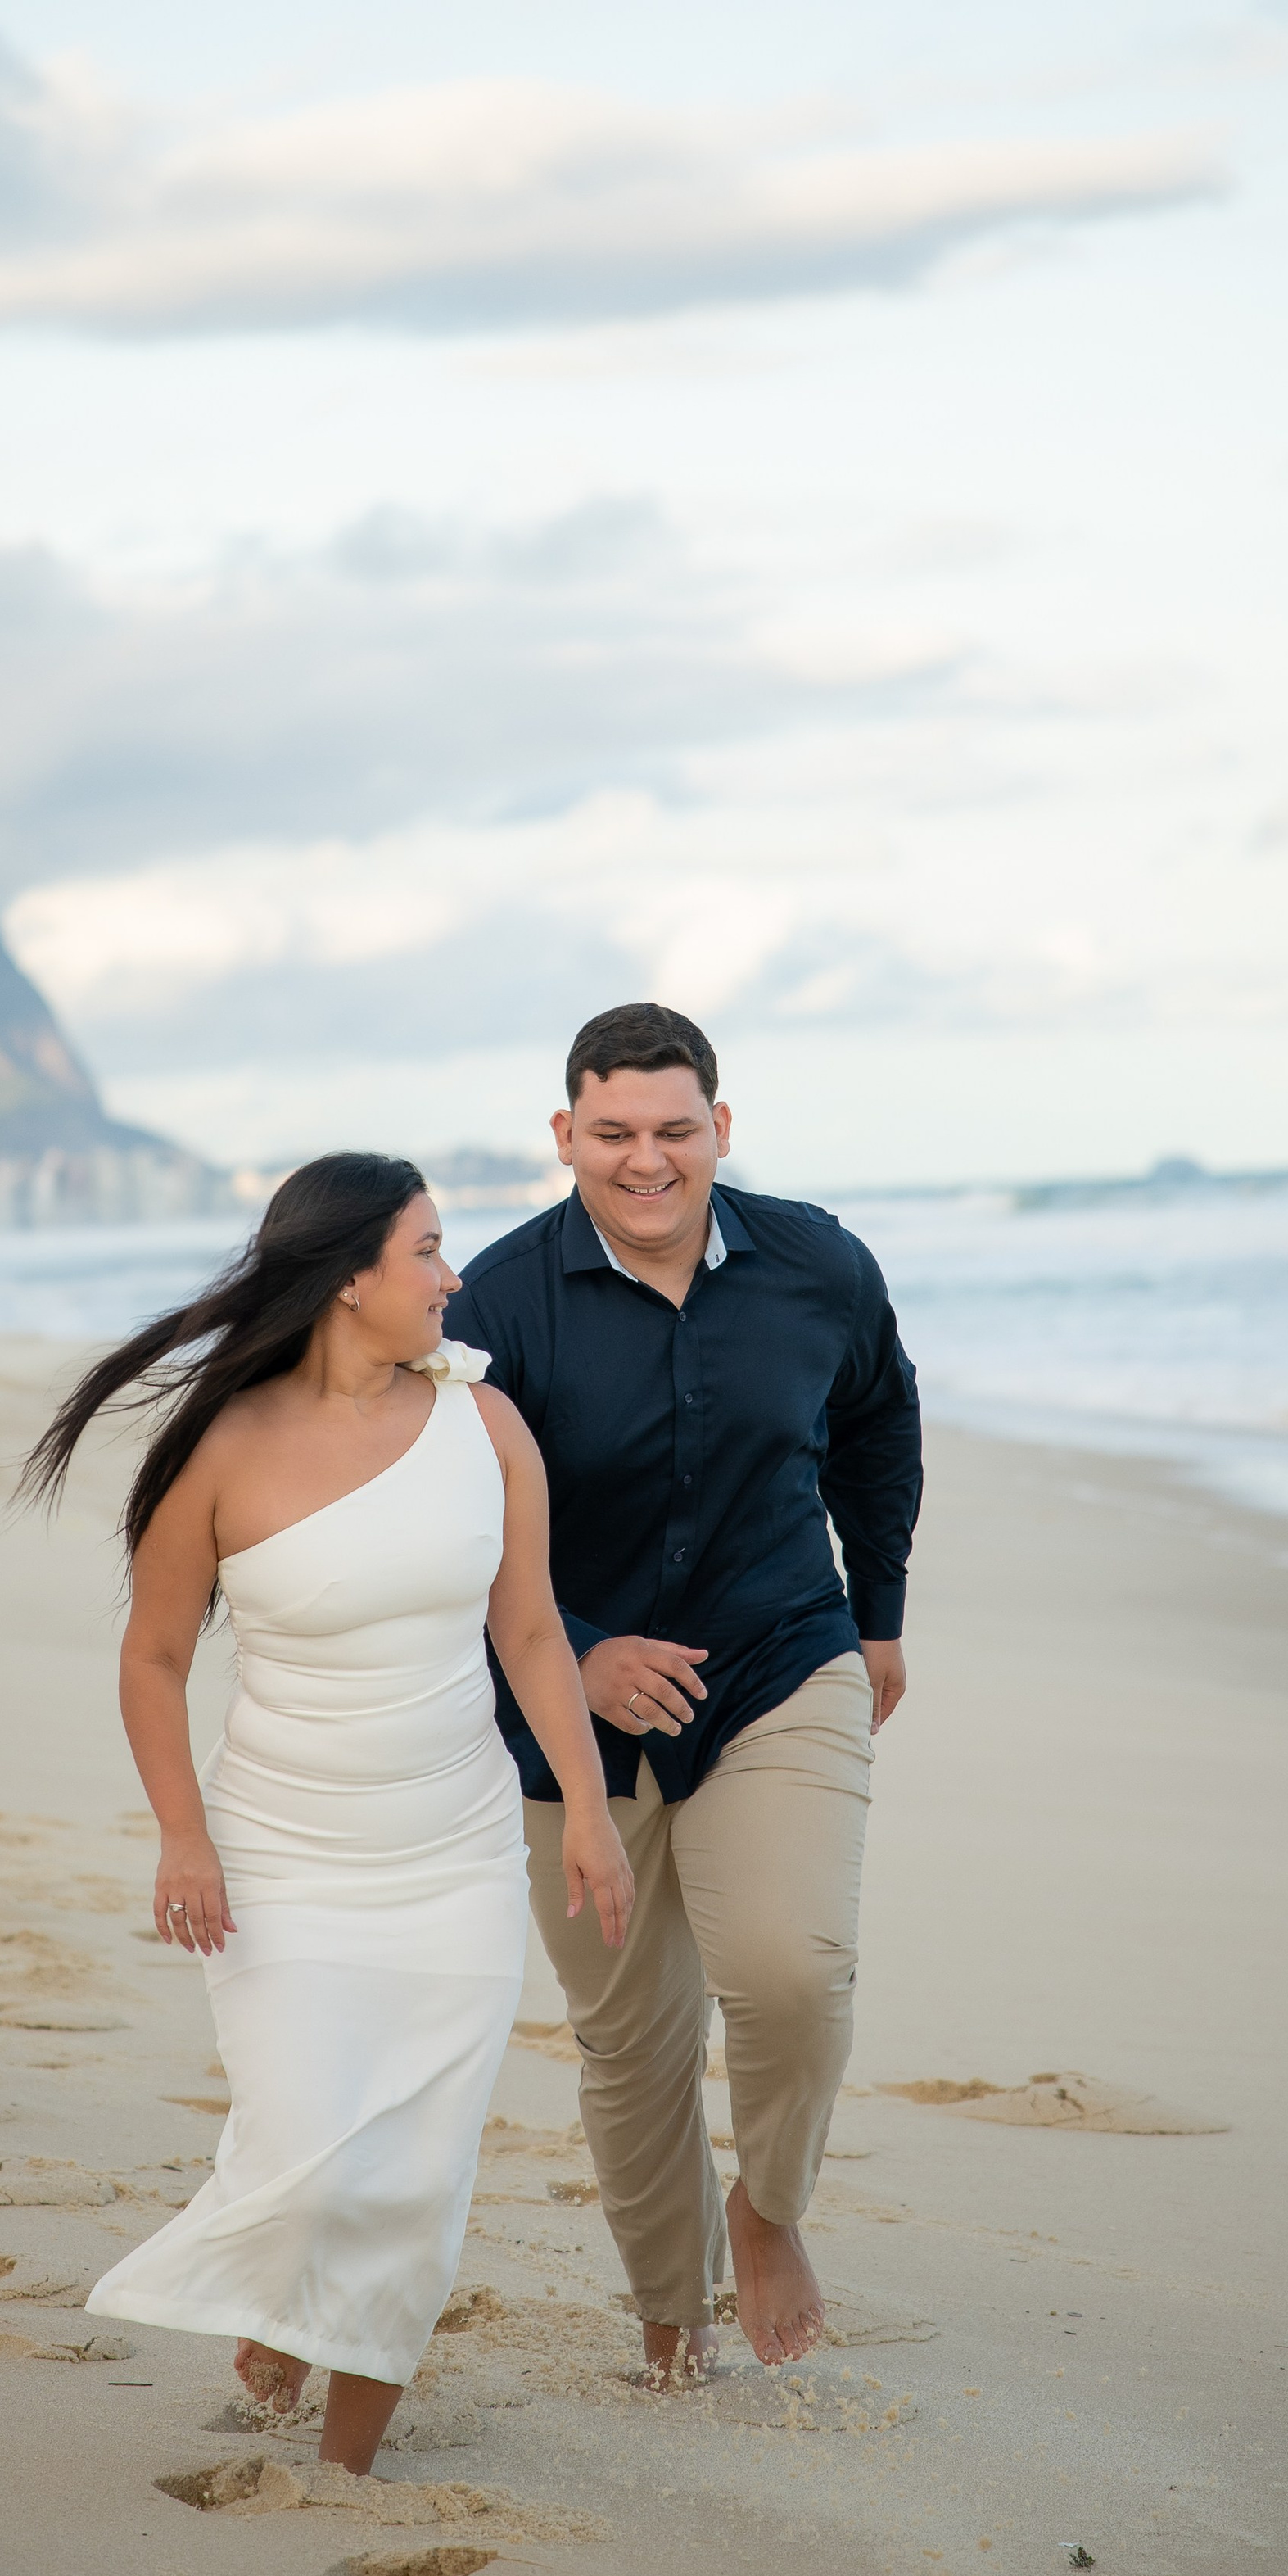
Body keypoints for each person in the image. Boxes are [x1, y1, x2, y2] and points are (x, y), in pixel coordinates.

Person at [20, 1154, 631, 2475]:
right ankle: (285, 2309)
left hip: (456, 1850)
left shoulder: (489, 1426)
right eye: (426, 1250)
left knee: (414, 2174)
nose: (452, 1276)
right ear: (351, 1279)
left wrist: (585, 1806)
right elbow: (155, 1658)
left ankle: (348, 2464)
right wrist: (182, 1835)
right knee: (310, 2147)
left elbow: (528, 1630)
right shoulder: (226, 1450)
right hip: (283, 1857)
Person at [442, 1004, 922, 2385]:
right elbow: (458, 1518)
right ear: (564, 1136)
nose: (645, 1162)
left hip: (781, 1655)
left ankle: (767, 2212)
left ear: (723, 1126)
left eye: (674, 1130)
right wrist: (580, 1647)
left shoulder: (818, 1264)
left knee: (790, 1971)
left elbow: (881, 1421)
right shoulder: (498, 1303)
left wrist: (876, 1615)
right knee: (631, 2040)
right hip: (563, 1712)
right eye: (612, 1134)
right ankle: (671, 2322)